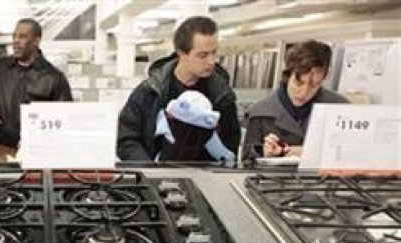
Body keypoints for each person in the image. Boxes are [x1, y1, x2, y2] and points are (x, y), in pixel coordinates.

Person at [117, 16, 240, 163]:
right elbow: (127, 139)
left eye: (214, 53)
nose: (211, 62)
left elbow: (231, 144)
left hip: (205, 181)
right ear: (181, 53)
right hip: (155, 179)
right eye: (203, 55)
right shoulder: (150, 91)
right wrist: (150, 170)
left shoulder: (222, 96)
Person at [0, 18, 72, 161]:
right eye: (14, 36)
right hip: (5, 150)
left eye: (22, 36)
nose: (15, 41)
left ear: (36, 41)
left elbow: (66, 117)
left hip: (42, 153)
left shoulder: (54, 77)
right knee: (3, 183)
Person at [242, 40, 348, 163]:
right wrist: (265, 155)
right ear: (288, 74)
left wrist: (311, 154)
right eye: (299, 83)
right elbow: (246, 167)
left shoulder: (341, 110)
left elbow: (352, 157)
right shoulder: (259, 113)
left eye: (314, 85)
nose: (303, 93)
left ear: (326, 76)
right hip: (275, 181)